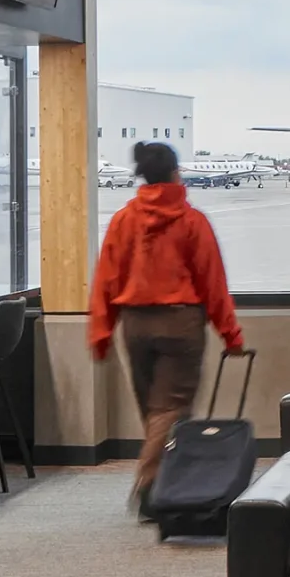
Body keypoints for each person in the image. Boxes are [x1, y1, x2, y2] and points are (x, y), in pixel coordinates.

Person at [88, 140, 244, 512]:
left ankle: (165, 484)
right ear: (177, 173)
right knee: (171, 408)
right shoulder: (192, 221)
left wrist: (101, 330)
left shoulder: (124, 220)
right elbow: (212, 282)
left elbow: (107, 279)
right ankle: (151, 481)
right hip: (181, 324)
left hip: (135, 325)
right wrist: (230, 334)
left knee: (153, 410)